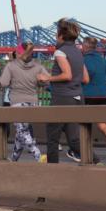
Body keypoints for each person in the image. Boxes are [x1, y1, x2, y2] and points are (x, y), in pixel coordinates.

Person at [45, 19, 88, 163]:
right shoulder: (78, 52)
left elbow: (67, 75)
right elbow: (85, 79)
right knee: (74, 139)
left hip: (62, 98)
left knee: (52, 137)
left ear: (60, 35)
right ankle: (95, 161)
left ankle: (53, 170)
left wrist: (47, 78)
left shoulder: (60, 52)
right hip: (78, 97)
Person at [0, 42, 49, 163]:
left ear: (19, 52)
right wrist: (38, 82)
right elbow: (47, 80)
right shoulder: (38, 66)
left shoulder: (11, 66)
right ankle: (13, 159)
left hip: (17, 103)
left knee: (22, 131)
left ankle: (38, 156)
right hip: (33, 103)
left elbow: (3, 83)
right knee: (21, 132)